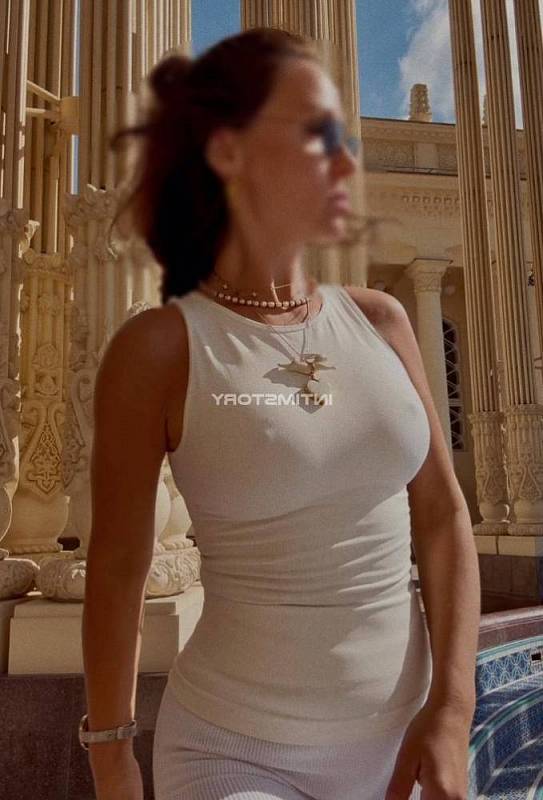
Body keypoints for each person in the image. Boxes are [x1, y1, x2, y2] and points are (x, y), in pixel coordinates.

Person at [82, 27, 480, 800]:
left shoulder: (381, 320)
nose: (346, 162)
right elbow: (120, 565)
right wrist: (111, 759)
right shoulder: (159, 348)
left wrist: (451, 709)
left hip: (407, 746)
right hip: (236, 756)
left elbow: (440, 515)